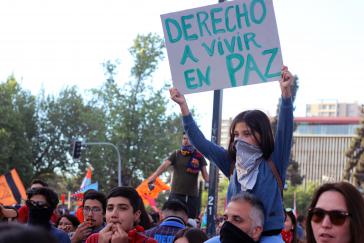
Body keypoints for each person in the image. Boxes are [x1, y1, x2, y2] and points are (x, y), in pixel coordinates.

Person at [170, 65, 294, 242]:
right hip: (232, 237)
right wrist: (183, 106)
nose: (239, 139)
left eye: (247, 134)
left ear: (262, 134)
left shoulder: (274, 161)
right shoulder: (230, 162)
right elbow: (200, 143)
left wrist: (286, 93)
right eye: (236, 134)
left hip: (268, 238)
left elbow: (285, 129)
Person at [148, 132, 209, 219]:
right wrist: (153, 177)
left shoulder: (199, 156)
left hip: (191, 196)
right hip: (176, 194)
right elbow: (164, 166)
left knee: (190, 221)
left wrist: (213, 180)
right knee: (171, 217)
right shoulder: (176, 154)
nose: (185, 141)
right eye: (184, 138)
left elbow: (206, 176)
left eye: (188, 139)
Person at [85, 186, 156, 243]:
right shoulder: (93, 239)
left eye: (122, 208)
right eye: (110, 208)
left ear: (136, 215)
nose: (114, 214)